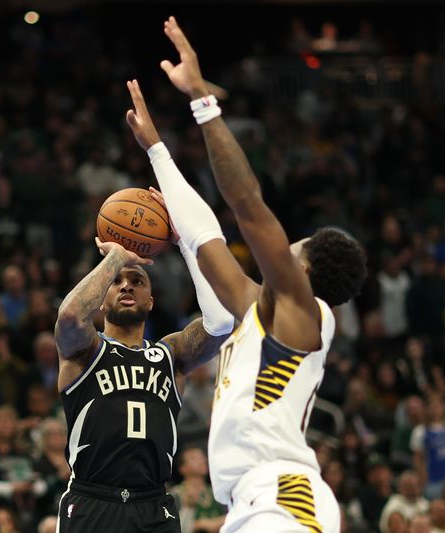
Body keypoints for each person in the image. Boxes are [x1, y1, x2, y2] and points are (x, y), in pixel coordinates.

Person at [123, 16, 366, 533]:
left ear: (303, 265)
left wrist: (202, 102)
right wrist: (158, 152)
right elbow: (205, 241)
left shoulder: (305, 311)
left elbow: (246, 204)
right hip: (251, 501)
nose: (280, 246)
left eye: (291, 244)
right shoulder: (260, 313)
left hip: (283, 498)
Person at [54, 116, 235, 531]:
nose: (127, 284)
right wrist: (118, 256)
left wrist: (183, 243)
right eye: (118, 283)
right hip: (92, 498)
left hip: (154, 504)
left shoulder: (170, 356)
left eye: (137, 280)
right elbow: (68, 314)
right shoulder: (85, 350)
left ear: (152, 301)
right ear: (102, 298)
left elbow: (222, 320)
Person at [410, 395, 445, 500]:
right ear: (427, 409)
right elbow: (418, 459)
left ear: (443, 407)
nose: (435, 409)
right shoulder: (420, 431)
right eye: (432, 406)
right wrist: (422, 480)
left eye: (438, 406)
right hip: (433, 480)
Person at [169, 446, 226, 533]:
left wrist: (201, 524)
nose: (202, 461)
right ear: (183, 468)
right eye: (194, 458)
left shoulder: (217, 491)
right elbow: (172, 526)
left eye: (202, 457)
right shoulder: (174, 494)